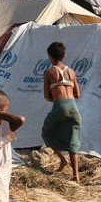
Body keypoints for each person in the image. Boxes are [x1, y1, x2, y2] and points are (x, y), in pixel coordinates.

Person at [42, 42, 82, 181]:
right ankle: (75, 175)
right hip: (73, 106)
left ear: (50, 57)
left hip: (60, 105)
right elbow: (77, 94)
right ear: (64, 55)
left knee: (46, 132)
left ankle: (62, 159)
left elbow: (47, 95)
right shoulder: (71, 72)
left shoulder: (49, 72)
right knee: (74, 140)